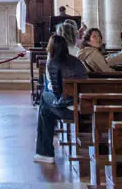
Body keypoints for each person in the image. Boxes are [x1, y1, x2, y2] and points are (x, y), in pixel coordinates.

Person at [34, 33, 86, 162]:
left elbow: (57, 94)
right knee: (45, 108)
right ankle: (44, 152)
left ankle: (45, 153)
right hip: (84, 106)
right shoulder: (77, 61)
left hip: (68, 108)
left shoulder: (53, 63)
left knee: (44, 100)